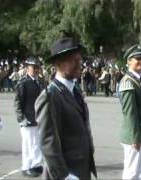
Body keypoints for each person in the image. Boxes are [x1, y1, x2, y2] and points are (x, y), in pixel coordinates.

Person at [35, 37, 97, 180]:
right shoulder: (50, 96)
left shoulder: (74, 90)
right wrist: (63, 176)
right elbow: (47, 142)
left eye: (79, 60)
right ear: (58, 63)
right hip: (67, 172)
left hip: (81, 168)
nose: (79, 64)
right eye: (73, 61)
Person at [118, 45, 141, 180]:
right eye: (137, 59)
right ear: (129, 62)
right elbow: (130, 113)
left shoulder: (138, 80)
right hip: (134, 135)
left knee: (137, 171)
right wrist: (135, 137)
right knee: (131, 173)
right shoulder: (128, 82)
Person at [14, 57, 44, 177]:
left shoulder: (40, 82)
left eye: (37, 68)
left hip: (38, 118)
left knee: (37, 143)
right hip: (27, 118)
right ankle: (26, 166)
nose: (36, 70)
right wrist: (21, 118)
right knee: (27, 144)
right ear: (27, 69)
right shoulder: (23, 83)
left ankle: (36, 165)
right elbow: (17, 102)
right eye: (33, 68)